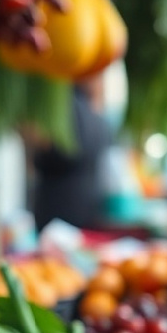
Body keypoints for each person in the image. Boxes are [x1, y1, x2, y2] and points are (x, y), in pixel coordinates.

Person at [29, 76, 113, 231]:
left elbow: (45, 154)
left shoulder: (63, 110)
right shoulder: (95, 116)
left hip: (54, 212)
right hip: (83, 211)